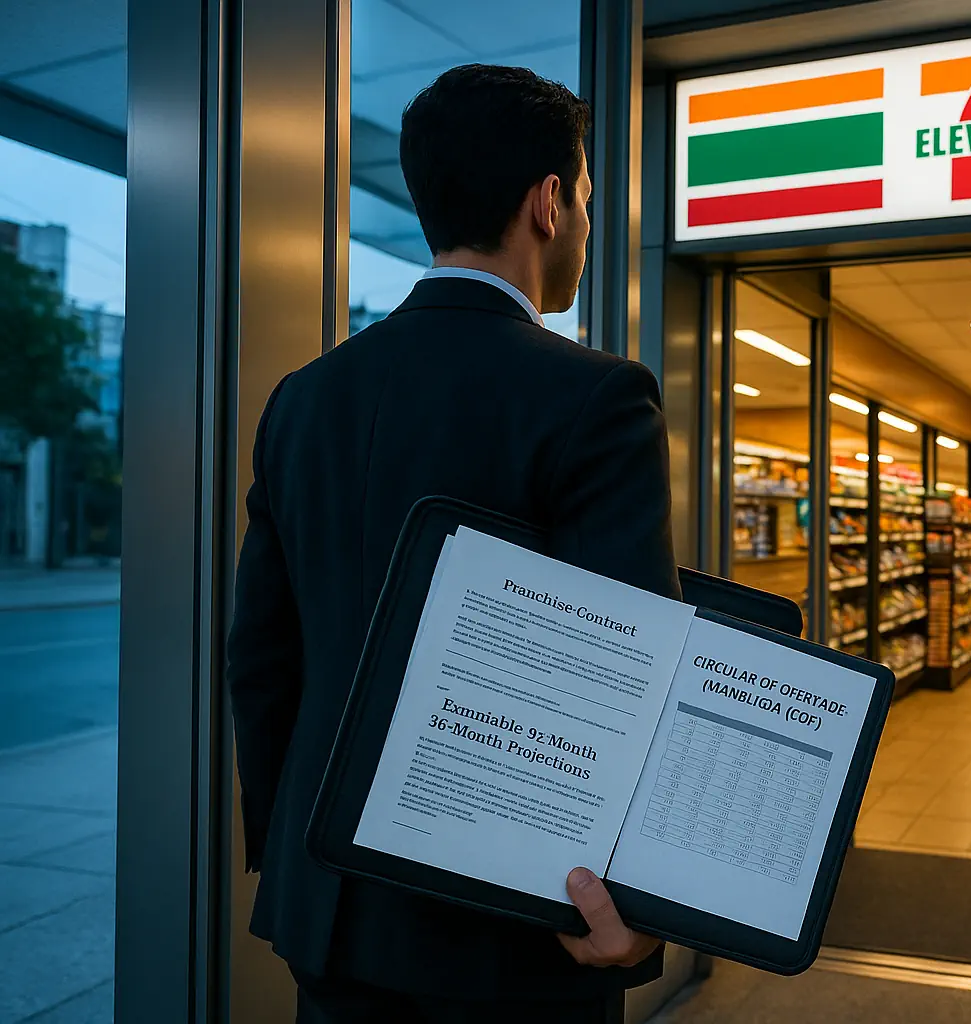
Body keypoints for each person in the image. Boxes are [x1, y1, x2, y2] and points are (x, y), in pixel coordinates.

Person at [226, 64, 678, 1023]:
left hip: (330, 916)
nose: (589, 229)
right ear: (548, 204)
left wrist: (297, 846)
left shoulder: (303, 398)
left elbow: (262, 659)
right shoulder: (599, 397)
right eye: (589, 201)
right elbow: (623, 678)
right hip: (507, 932)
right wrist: (636, 907)